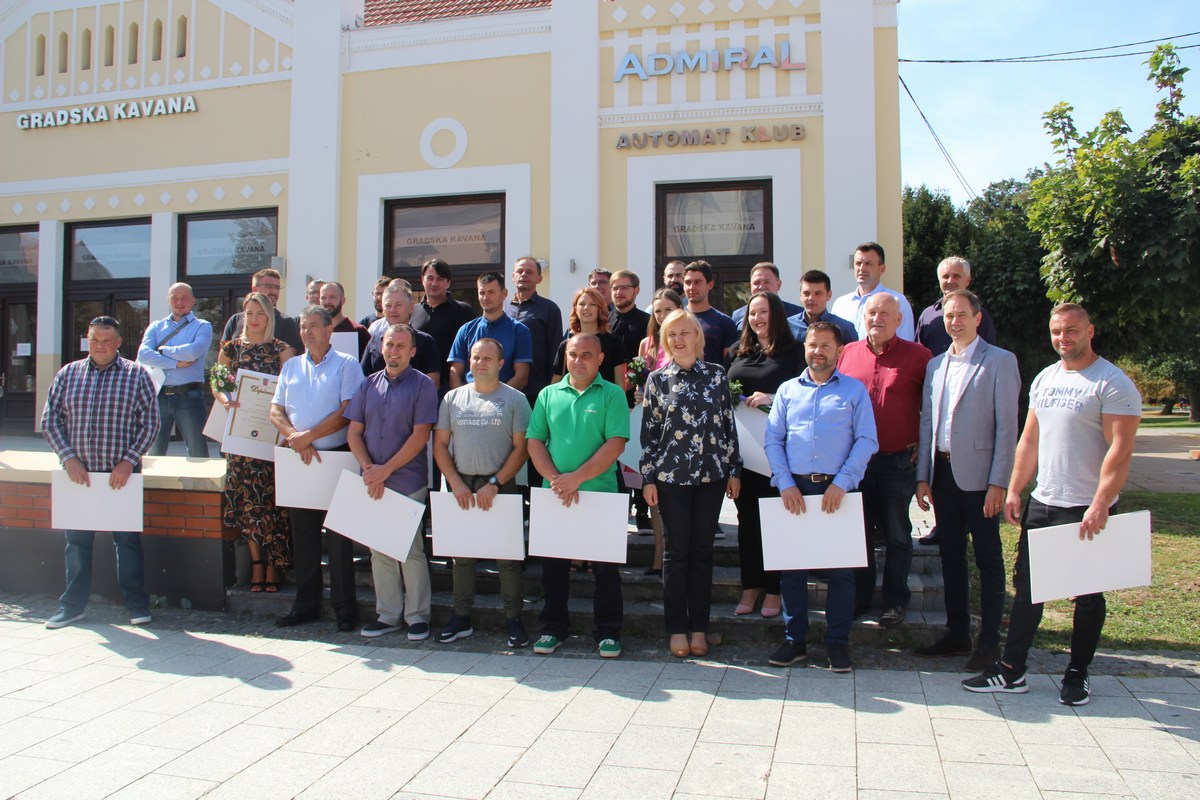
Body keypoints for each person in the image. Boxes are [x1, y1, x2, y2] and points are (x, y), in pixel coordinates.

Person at [964, 303, 1140, 706]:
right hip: (1044, 501)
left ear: (1089, 331)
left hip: (1086, 506)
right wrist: (1015, 489)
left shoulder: (1112, 382)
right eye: (1057, 331)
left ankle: (1077, 674)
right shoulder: (1045, 378)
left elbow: (1120, 449)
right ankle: (1011, 670)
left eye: (1072, 330)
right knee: (1028, 589)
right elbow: (1030, 440)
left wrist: (1101, 502)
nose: (1064, 338)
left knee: (1087, 595)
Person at [913, 290, 1019, 670]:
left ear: (977, 318)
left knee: (988, 558)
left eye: (961, 315)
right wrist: (923, 477)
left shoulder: (1000, 361)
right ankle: (957, 634)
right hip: (942, 475)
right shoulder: (936, 365)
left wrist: (998, 483)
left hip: (980, 479)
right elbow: (928, 422)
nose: (954, 322)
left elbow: (1007, 427)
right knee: (951, 556)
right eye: (948, 316)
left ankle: (988, 642)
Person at [763, 322, 878, 671]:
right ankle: (794, 641)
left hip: (837, 492)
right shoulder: (786, 391)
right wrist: (785, 482)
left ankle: (837, 644)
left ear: (839, 351)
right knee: (792, 571)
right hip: (795, 491)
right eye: (813, 345)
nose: (818, 351)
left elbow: (867, 440)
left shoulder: (854, 392)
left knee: (842, 574)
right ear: (805, 348)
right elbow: (773, 439)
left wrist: (843, 483)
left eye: (826, 345)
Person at [42, 315, 161, 629]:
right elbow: (50, 420)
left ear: (119, 343)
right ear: (88, 339)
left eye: (107, 340)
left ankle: (136, 605)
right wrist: (68, 458)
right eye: (95, 339)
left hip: (121, 474)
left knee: (127, 542)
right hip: (77, 474)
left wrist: (128, 461)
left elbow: (151, 423)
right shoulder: (68, 374)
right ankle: (72, 607)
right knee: (77, 544)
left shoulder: (136, 375)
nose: (100, 346)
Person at [641, 311, 741, 658]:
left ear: (697, 337)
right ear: (665, 341)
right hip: (671, 478)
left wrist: (735, 470)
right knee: (676, 553)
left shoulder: (716, 375)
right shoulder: (657, 380)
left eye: (685, 333)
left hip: (712, 476)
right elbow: (650, 434)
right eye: (672, 334)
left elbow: (728, 425)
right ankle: (676, 628)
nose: (679, 340)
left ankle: (699, 627)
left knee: (702, 553)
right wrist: (648, 477)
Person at [526, 333, 630, 658]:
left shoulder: (613, 394)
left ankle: (608, 632)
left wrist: (577, 479)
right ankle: (553, 628)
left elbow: (615, 444)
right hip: (556, 495)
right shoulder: (548, 394)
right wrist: (557, 480)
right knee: (553, 570)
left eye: (587, 355)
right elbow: (534, 441)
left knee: (606, 571)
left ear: (600, 359)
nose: (579, 360)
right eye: (573, 354)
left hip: (601, 495)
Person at [837, 293, 931, 625]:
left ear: (899, 320)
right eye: (871, 313)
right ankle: (860, 599)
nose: (876, 318)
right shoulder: (847, 354)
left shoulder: (919, 357)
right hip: (856, 463)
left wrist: (924, 443)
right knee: (858, 534)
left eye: (884, 314)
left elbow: (932, 407)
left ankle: (895, 601)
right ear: (863, 318)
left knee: (897, 535)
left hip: (897, 460)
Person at [433, 338, 533, 648]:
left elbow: (522, 448)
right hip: (461, 483)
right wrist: (455, 482)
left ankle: (514, 618)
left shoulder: (515, 399)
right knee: (461, 556)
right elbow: (439, 445)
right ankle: (461, 617)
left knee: (507, 558)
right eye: (475, 357)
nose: (480, 363)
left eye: (487, 358)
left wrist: (496, 483)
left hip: (501, 485)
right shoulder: (452, 398)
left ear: (501, 364)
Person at [270, 306, 365, 631]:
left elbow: (348, 410)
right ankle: (306, 604)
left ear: (328, 330)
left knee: (339, 538)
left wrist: (309, 435)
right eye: (303, 326)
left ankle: (344, 608)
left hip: (335, 457)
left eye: (313, 326)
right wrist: (294, 437)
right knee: (304, 537)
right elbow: (276, 410)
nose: (307, 332)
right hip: (299, 458)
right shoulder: (291, 366)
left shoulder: (346, 364)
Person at [345, 324, 438, 641]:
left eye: (401, 346)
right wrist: (369, 469)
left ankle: (418, 616)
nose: (394, 351)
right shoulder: (367, 384)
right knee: (379, 549)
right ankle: (388, 615)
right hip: (373, 480)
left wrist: (385, 470)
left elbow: (420, 436)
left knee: (410, 550)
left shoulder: (423, 386)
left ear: (412, 351)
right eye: (389, 344)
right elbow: (354, 432)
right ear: (381, 348)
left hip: (407, 480)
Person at [726, 292, 805, 619]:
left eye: (763, 312)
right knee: (747, 522)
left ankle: (774, 589)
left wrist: (772, 397)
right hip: (745, 455)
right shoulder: (737, 351)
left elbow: (805, 395)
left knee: (775, 521)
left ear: (777, 315)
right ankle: (751, 585)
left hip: (780, 454)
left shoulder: (795, 352)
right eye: (752, 313)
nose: (757, 318)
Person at [213, 292, 296, 593]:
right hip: (240, 439)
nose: (254, 318)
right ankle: (256, 564)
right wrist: (225, 400)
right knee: (248, 505)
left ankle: (274, 565)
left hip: (271, 438)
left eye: (260, 313)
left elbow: (291, 390)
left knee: (273, 504)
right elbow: (218, 381)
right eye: (249, 313)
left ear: (269, 316)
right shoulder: (230, 348)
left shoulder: (282, 349)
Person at [635, 288, 684, 574]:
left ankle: (677, 558)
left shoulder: (685, 340)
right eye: (658, 311)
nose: (662, 315)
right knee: (654, 494)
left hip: (682, 430)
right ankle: (658, 557)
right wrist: (640, 393)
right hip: (655, 427)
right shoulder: (648, 344)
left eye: (668, 309)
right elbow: (642, 383)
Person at [138, 282, 212, 457]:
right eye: (175, 298)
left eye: (184, 298)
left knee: (198, 452)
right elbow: (143, 355)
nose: (179, 302)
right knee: (154, 453)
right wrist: (176, 363)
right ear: (168, 300)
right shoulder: (156, 327)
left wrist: (162, 350)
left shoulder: (202, 326)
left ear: (193, 300)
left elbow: (193, 352)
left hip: (190, 396)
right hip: (159, 396)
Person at [449, 272, 533, 390]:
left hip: (505, 398)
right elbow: (455, 372)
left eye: (491, 292)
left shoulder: (519, 331)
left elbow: (521, 376)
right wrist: (464, 398)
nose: (485, 298)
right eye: (482, 293)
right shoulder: (465, 330)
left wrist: (499, 398)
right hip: (469, 398)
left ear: (504, 293)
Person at [410, 258, 476, 397]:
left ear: (448, 282)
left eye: (440, 279)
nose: (434, 283)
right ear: (422, 280)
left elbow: (472, 349)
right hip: (416, 388)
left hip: (452, 387)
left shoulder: (463, 311)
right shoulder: (412, 312)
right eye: (430, 278)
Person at [505, 256, 562, 408]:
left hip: (535, 392)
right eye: (520, 271)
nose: (523, 274)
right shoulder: (502, 308)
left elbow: (555, 352)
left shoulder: (549, 309)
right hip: (503, 388)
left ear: (539, 279)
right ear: (513, 276)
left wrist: (552, 390)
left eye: (529, 272)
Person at [830, 242, 916, 341]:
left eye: (868, 264)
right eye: (858, 263)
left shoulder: (897, 301)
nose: (862, 268)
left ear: (882, 269)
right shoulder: (840, 304)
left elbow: (905, 342)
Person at [362, 280, 441, 385]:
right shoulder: (374, 341)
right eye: (388, 305)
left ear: (410, 307)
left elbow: (432, 384)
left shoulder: (425, 341)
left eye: (398, 305)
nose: (393, 310)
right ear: (383, 309)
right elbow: (363, 379)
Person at [916, 257, 997, 357]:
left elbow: (989, 355)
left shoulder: (978, 315)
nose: (950, 281)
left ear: (967, 280)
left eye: (956, 276)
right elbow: (918, 354)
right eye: (945, 276)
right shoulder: (927, 315)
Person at [550, 287, 628, 389]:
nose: (586, 308)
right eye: (582, 304)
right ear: (575, 309)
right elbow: (555, 385)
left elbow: (620, 385)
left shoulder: (614, 342)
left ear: (600, 308)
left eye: (592, 304)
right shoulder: (566, 344)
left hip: (605, 398)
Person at [222, 268, 303, 352]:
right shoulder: (235, 320)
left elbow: (291, 357)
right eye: (269, 286)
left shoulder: (286, 322)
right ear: (255, 290)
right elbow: (224, 354)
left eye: (277, 287)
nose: (274, 292)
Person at [682, 261, 739, 365]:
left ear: (710, 284)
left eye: (697, 282)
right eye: (688, 282)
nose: (691, 287)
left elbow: (729, 365)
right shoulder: (675, 320)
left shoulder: (725, 322)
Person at [786, 269, 858, 346]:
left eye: (818, 293)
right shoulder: (788, 325)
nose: (811, 298)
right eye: (806, 293)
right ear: (800, 295)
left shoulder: (844, 329)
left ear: (829, 295)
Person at [730, 263, 802, 329]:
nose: (761, 287)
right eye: (756, 283)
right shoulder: (738, 315)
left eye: (767, 282)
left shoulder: (797, 314)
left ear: (779, 285)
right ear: (750, 286)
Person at [320, 281, 370, 359]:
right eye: (323, 298)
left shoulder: (359, 331)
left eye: (332, 297)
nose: (327, 302)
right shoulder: (315, 330)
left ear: (343, 301)